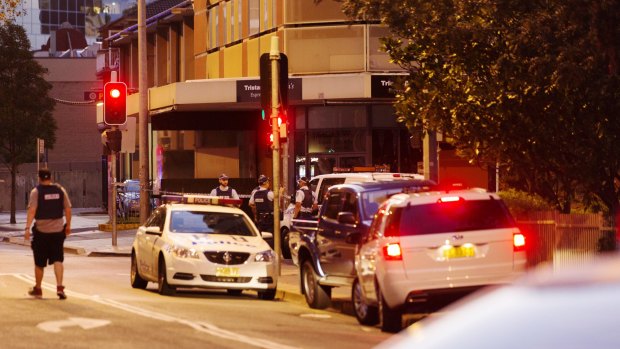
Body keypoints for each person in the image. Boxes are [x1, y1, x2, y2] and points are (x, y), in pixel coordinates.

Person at [24, 168, 72, 300]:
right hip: (57, 231)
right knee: (58, 259)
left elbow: (32, 210)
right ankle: (60, 286)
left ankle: (38, 288)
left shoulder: (36, 192)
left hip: (41, 232)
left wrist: (27, 228)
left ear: (39, 178)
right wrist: (68, 225)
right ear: (50, 177)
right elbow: (68, 208)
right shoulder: (60, 190)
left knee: (39, 262)